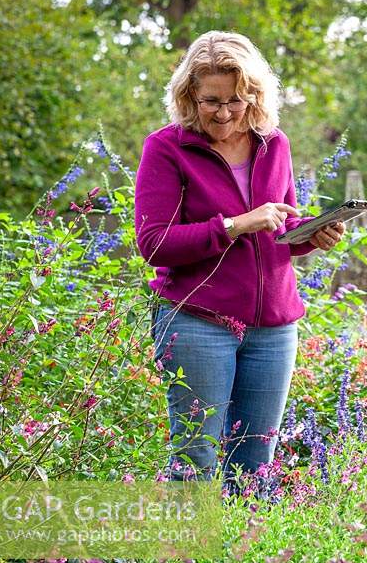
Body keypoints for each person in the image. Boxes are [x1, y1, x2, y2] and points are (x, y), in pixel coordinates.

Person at [134, 30, 344, 494]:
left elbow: (278, 233)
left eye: (236, 100)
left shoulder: (275, 143)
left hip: (273, 329)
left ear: (254, 95)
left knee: (256, 463)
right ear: (189, 94)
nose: (225, 112)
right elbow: (154, 243)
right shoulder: (166, 148)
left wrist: (312, 235)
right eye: (211, 101)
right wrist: (235, 224)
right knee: (197, 456)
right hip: (197, 322)